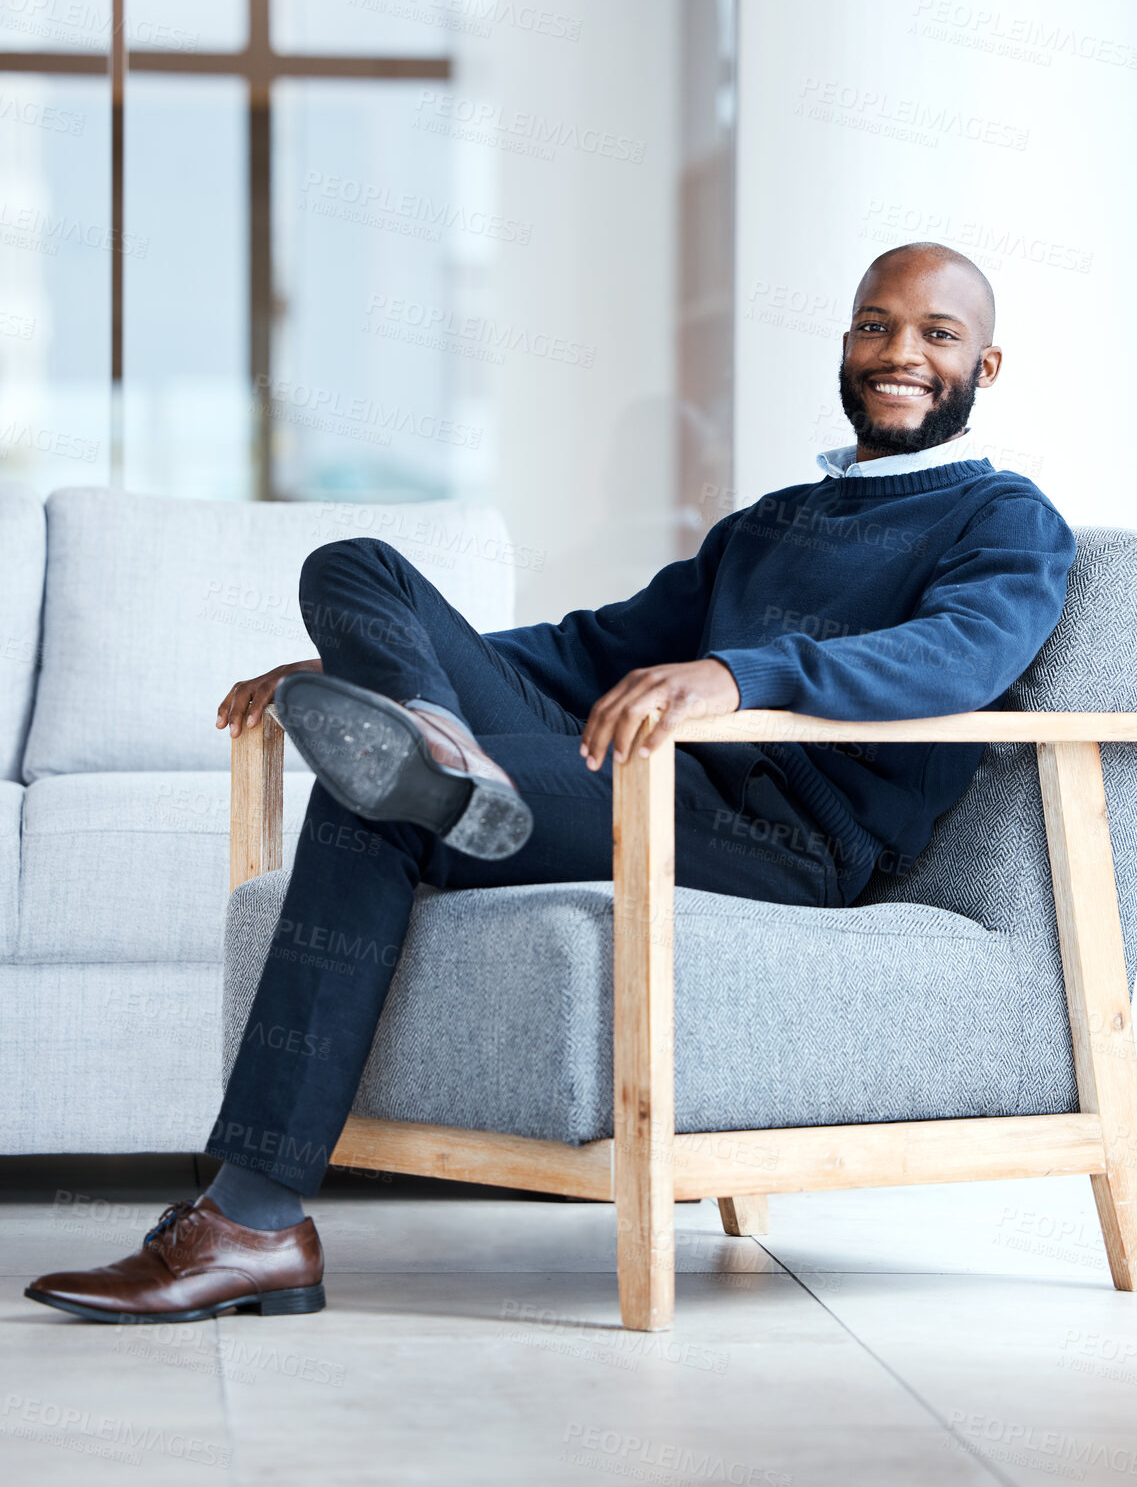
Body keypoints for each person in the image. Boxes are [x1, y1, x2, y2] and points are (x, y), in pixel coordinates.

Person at [25, 241, 1076, 1324]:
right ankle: (426, 733)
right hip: (643, 796)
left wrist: (734, 672)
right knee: (356, 570)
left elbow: (958, 658)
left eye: (934, 334)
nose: (897, 352)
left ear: (982, 367)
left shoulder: (1003, 521)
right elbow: (591, 648)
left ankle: (250, 1220)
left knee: (367, 781)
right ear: (847, 343)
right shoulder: (766, 524)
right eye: (873, 325)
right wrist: (392, 659)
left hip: (783, 847)